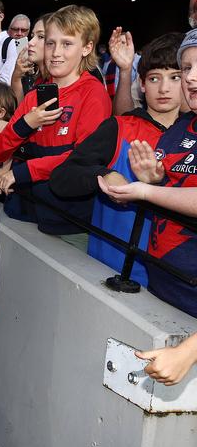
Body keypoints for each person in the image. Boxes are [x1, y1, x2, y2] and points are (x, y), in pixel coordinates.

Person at [49, 33, 184, 284]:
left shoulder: (190, 138)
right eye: (154, 78)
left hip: (177, 284)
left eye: (175, 77)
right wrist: (104, 174)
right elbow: (62, 178)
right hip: (112, 274)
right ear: (142, 84)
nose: (164, 88)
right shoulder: (119, 128)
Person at [95, 29, 197, 316]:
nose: (190, 77)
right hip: (163, 282)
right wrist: (155, 179)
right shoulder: (180, 129)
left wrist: (146, 190)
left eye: (177, 75)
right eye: (187, 68)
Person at [0, 5, 111, 230]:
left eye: (67, 44)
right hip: (23, 211)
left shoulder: (93, 93)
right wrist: (27, 124)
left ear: (86, 48)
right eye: (51, 43)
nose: (55, 53)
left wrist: (24, 171)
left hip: (66, 221)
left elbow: (81, 159)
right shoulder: (35, 95)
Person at [11, 14, 47, 103]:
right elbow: (22, 108)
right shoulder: (40, 80)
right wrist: (16, 77)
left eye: (41, 36)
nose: (30, 42)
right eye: (32, 36)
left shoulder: (61, 80)